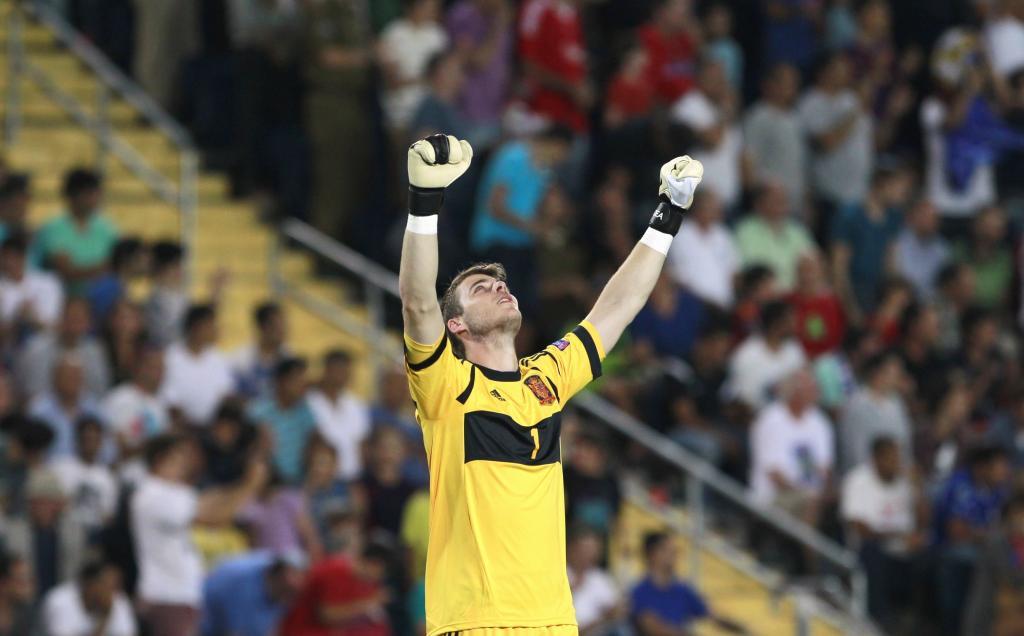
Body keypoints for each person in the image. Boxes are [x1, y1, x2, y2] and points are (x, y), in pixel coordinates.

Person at [400, 133, 704, 634]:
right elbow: (416, 302)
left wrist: (667, 215)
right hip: (478, 622)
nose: (500, 286)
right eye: (481, 287)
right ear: (456, 325)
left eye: (500, 282)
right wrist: (424, 202)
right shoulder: (446, 384)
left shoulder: (546, 378)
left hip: (555, 624)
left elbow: (617, 307)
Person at [132, 434, 268, 636]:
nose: (185, 464)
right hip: (167, 595)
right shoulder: (152, 493)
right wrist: (250, 485)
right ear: (161, 459)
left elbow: (213, 501)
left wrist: (245, 483)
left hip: (181, 595)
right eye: (180, 457)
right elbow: (214, 517)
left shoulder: (173, 492)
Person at [469, 126, 574, 316]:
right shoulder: (513, 157)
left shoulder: (544, 171)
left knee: (528, 310)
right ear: (556, 145)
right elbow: (495, 206)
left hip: (523, 245)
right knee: (505, 310)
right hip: (497, 243)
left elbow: (541, 208)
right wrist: (534, 228)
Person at [841, 436, 923, 628]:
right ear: (877, 458)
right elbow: (859, 527)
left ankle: (918, 621)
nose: (897, 462)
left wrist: (918, 488)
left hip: (904, 552)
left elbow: (922, 522)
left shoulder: (905, 482)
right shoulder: (858, 479)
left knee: (934, 553)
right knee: (872, 550)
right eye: (891, 457)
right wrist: (897, 536)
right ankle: (879, 620)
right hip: (869, 551)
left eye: (898, 457)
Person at [749, 369, 834, 527]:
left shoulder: (820, 421)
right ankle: (810, 551)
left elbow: (825, 467)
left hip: (811, 494)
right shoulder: (770, 419)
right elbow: (774, 474)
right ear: (795, 393)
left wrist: (822, 492)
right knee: (809, 502)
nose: (817, 393)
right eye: (811, 388)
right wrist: (806, 493)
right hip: (774, 496)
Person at [670, 57, 748, 212]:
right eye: (715, 78)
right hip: (699, 203)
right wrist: (726, 112)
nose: (722, 83)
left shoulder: (723, 109)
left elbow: (739, 154)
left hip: (729, 203)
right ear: (700, 79)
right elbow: (712, 141)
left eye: (722, 77)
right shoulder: (688, 106)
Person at [798, 51, 873, 213]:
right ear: (824, 72)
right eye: (840, 68)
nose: (846, 72)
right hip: (830, 194)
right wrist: (855, 111)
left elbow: (873, 142)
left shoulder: (851, 99)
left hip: (859, 193)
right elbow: (828, 143)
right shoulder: (810, 102)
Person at [631, 532, 746, 635]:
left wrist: (742, 629)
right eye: (668, 551)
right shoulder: (640, 592)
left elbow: (713, 616)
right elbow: (654, 629)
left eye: (675, 552)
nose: (674, 556)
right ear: (653, 555)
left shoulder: (682, 590)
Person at [3, 468, 88, 598]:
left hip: (62, 598)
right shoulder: (13, 531)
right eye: (36, 502)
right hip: (25, 601)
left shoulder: (74, 532)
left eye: (47, 502)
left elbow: (78, 572)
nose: (42, 508)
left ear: (58, 504)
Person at [34, 168, 119, 289]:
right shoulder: (54, 228)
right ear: (74, 196)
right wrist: (105, 268)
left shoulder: (107, 228)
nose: (96, 198)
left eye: (97, 193)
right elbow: (66, 272)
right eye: (90, 193)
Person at [743, 63, 807, 217]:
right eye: (785, 83)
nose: (790, 88)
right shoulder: (759, 116)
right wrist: (756, 197)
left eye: (793, 84)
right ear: (769, 85)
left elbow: (801, 165)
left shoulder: (796, 118)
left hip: (794, 203)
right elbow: (748, 159)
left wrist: (806, 200)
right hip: (768, 205)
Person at [15, 297, 111, 400]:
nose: (74, 324)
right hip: (43, 411)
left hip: (85, 412)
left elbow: (100, 393)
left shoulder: (95, 352)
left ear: (88, 323)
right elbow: (30, 393)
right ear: (60, 319)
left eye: (80, 319)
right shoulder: (36, 349)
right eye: (71, 318)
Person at [518, 0, 591, 133]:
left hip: (575, 119)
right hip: (544, 117)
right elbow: (528, 66)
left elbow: (573, 58)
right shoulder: (536, 8)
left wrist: (584, 89)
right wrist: (570, 88)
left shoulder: (572, 12)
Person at [377, 0, 449, 133]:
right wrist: (425, 79)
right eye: (429, 6)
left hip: (430, 114)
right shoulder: (394, 33)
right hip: (400, 115)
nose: (433, 10)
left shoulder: (437, 35)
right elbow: (392, 82)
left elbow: (443, 77)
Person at [200, 550, 307, 636]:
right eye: (296, 574)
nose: (300, 583)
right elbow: (234, 630)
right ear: (280, 572)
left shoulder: (285, 592)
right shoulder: (244, 582)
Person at [838, 351, 912, 474]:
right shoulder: (857, 404)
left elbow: (905, 445)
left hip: (895, 475)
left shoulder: (897, 403)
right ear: (878, 373)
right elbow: (854, 451)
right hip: (865, 478)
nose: (899, 377)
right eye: (895, 373)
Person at [161, 304, 235, 427]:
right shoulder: (170, 357)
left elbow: (225, 395)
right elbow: (169, 401)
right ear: (196, 327)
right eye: (210, 325)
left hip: (213, 429)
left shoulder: (219, 358)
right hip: (178, 426)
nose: (214, 330)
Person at [665, 188, 739, 309]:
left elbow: (734, 271)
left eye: (716, 207)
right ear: (697, 208)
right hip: (694, 304)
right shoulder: (680, 234)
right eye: (710, 207)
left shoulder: (723, 235)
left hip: (725, 304)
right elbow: (679, 277)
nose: (715, 211)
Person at [249, 356, 317, 484]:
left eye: (304, 380)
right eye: (298, 380)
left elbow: (313, 444)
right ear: (281, 381)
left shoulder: (306, 412)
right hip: (265, 484)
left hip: (296, 482)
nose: (303, 385)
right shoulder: (257, 412)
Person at [727, 301, 807, 410]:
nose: (796, 324)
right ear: (777, 323)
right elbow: (742, 401)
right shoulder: (747, 354)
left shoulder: (795, 350)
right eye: (791, 320)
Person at [964, 491, 1024, 636]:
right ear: (1010, 516)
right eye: (1019, 514)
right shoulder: (997, 542)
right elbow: (1011, 577)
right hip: (990, 617)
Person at [734, 182, 814, 290]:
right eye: (775, 199)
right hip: (764, 297)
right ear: (759, 203)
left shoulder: (797, 231)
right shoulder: (745, 232)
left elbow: (812, 263)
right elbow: (751, 271)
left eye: (783, 199)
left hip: (797, 294)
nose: (781, 203)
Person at [308, 349, 371, 481]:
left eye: (347, 371)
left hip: (352, 478)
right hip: (320, 478)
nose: (344, 375)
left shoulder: (356, 405)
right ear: (327, 370)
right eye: (339, 370)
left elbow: (362, 445)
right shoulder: (309, 402)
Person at [50, 415, 119, 534]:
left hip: (96, 533)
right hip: (66, 531)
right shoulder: (59, 468)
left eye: (95, 439)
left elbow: (108, 515)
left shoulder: (107, 477)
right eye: (86, 439)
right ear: (77, 440)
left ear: (100, 442)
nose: (90, 444)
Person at [41, 559, 137, 636]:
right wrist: (104, 621)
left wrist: (105, 617)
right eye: (106, 586)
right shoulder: (59, 600)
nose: (111, 594)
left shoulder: (118, 599)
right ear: (90, 585)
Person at [0, 232, 64, 339]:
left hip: (44, 342)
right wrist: (17, 318)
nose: (9, 263)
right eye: (5, 258)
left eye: (14, 257)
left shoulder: (48, 282)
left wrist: (32, 318)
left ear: (23, 257)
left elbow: (56, 326)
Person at [567, 525, 622, 636]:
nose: (589, 555)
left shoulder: (600, 578)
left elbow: (617, 610)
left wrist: (613, 612)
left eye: (593, 550)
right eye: (584, 549)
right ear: (570, 548)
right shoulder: (560, 575)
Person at [230, 301, 291, 399]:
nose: (283, 331)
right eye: (278, 326)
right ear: (263, 327)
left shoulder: (289, 357)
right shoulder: (241, 360)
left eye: (284, 325)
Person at [893, 197, 950, 301]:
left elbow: (943, 283)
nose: (930, 221)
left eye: (934, 218)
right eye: (925, 216)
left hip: (932, 302)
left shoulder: (942, 248)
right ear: (911, 217)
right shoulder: (898, 241)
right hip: (904, 298)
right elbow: (898, 277)